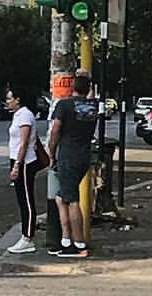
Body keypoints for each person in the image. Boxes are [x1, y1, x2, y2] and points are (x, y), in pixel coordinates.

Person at [46, 72, 98, 258]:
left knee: (72, 200)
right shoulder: (93, 107)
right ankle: (66, 240)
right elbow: (90, 95)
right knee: (61, 197)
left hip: (68, 156)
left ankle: (77, 243)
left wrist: (51, 153)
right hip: (84, 155)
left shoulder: (64, 105)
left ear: (71, 88)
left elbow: (56, 130)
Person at [6, 85, 40, 254]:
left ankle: (28, 238)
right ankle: (25, 236)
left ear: (18, 100)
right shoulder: (18, 115)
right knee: (21, 200)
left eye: (9, 98)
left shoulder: (25, 115)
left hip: (26, 162)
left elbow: (24, 143)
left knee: (27, 200)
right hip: (18, 160)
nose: (7, 102)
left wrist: (17, 165)